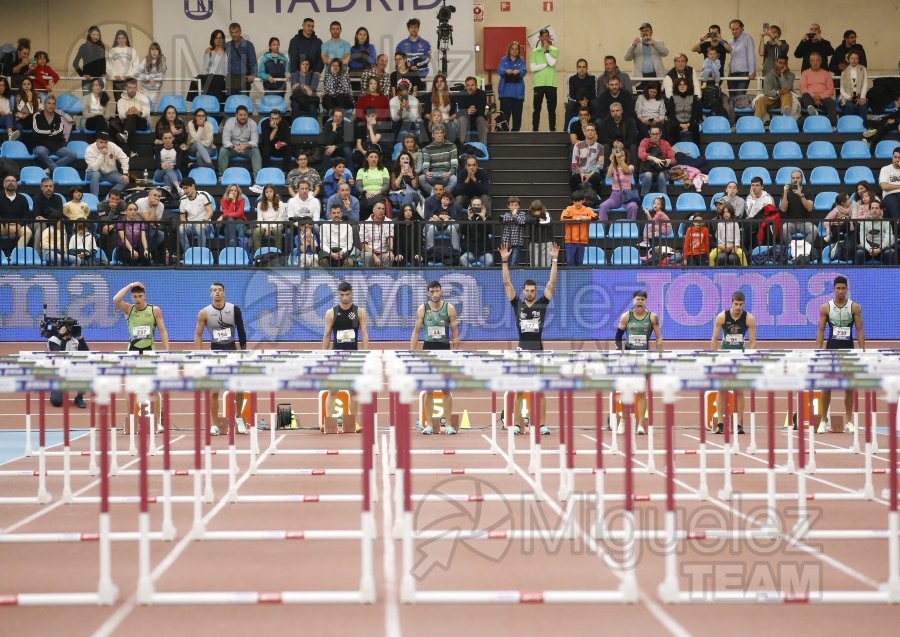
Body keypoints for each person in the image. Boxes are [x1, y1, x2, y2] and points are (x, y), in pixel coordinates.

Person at [500, 241, 559, 435]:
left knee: (539, 391)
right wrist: (504, 261)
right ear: (523, 291)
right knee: (519, 391)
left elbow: (551, 283)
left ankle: (541, 425)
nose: (530, 293)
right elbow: (507, 283)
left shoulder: (542, 304)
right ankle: (518, 424)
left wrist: (555, 259)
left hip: (538, 352)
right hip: (521, 352)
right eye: (527, 290)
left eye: (533, 290)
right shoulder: (517, 304)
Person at [194, 282, 248, 436]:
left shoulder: (234, 309)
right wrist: (198, 356)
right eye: (214, 290)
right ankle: (214, 424)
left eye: (219, 290)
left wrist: (243, 354)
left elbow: (242, 331)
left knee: (239, 388)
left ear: (224, 293)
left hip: (232, 352)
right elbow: (198, 335)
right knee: (214, 392)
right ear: (210, 294)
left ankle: (239, 418)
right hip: (215, 354)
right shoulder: (204, 313)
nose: (217, 292)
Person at [410, 281, 460, 435]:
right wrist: (413, 352)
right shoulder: (423, 309)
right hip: (428, 350)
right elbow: (417, 331)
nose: (435, 294)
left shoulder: (449, 308)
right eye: (432, 291)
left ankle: (449, 425)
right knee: (429, 390)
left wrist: (455, 353)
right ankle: (429, 425)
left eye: (437, 291)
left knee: (446, 389)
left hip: (444, 351)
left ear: (441, 291)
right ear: (428, 293)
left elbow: (455, 332)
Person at [815, 276, 864, 434]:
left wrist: (862, 351)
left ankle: (849, 421)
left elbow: (860, 330)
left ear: (847, 289)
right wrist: (818, 351)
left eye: (843, 288)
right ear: (834, 289)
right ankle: (823, 420)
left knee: (849, 387)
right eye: (838, 288)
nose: (841, 291)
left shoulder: (854, 307)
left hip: (848, 350)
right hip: (831, 349)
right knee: (826, 386)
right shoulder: (826, 307)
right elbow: (821, 330)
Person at [322, 282, 369, 432]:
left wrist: (365, 354)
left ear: (352, 294)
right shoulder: (331, 313)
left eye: (347, 294)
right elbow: (327, 335)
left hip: (353, 357)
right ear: (338, 295)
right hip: (337, 357)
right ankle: (329, 423)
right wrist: (324, 356)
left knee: (354, 391)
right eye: (342, 295)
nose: (345, 298)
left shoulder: (359, 312)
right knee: (333, 391)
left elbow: (364, 334)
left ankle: (352, 423)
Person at [615, 291, 663, 434]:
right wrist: (620, 353)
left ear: (646, 302)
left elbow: (659, 337)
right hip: (629, 357)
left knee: (642, 391)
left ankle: (641, 425)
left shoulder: (652, 317)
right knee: (626, 390)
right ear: (633, 301)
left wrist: (660, 354)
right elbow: (618, 337)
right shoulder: (626, 316)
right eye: (638, 299)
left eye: (642, 300)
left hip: (644, 357)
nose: (640, 302)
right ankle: (623, 421)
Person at [709, 291, 757, 434]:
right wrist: (715, 358)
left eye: (740, 304)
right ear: (731, 302)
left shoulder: (749, 318)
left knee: (739, 390)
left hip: (740, 357)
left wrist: (749, 357)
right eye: (735, 304)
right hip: (724, 355)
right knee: (722, 389)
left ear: (743, 304)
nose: (737, 307)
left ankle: (739, 425)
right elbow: (714, 339)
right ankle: (721, 424)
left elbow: (753, 341)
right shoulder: (722, 316)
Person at [113, 282, 169, 352]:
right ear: (132, 298)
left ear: (144, 296)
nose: (137, 299)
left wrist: (167, 350)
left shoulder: (154, 310)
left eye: (140, 296)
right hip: (132, 349)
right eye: (135, 296)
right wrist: (131, 285)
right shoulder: (129, 309)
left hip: (149, 349)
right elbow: (116, 299)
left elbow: (162, 331)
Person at [47, 317, 89, 409]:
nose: (71, 330)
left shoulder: (75, 340)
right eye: (69, 327)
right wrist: (63, 339)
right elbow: (59, 357)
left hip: (73, 371)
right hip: (59, 373)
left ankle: (79, 398)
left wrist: (80, 338)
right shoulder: (53, 340)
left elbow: (87, 353)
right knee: (57, 402)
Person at [530, 28, 559, 132]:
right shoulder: (534, 51)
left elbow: (552, 63)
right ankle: (535, 130)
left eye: (547, 36)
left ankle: (552, 130)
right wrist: (545, 64)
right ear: (540, 38)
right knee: (536, 109)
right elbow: (533, 68)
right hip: (538, 84)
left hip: (551, 84)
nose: (545, 38)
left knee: (551, 109)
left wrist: (546, 51)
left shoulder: (554, 50)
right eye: (543, 36)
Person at [560, 190, 597, 266]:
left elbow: (596, 217)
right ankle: (569, 277)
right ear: (572, 201)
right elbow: (563, 218)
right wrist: (577, 218)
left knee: (579, 262)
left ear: (583, 200)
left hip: (582, 241)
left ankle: (577, 277)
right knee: (570, 261)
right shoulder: (569, 209)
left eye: (579, 201)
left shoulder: (587, 210)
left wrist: (586, 218)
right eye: (575, 201)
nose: (577, 203)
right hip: (570, 241)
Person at [497, 41, 526, 131]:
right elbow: (499, 70)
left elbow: (524, 71)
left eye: (516, 49)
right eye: (512, 49)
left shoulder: (522, 60)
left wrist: (519, 71)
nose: (514, 51)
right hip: (505, 94)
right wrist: (506, 71)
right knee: (504, 117)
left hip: (518, 94)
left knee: (517, 116)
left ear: (519, 50)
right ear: (509, 50)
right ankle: (504, 135)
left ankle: (516, 135)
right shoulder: (503, 59)